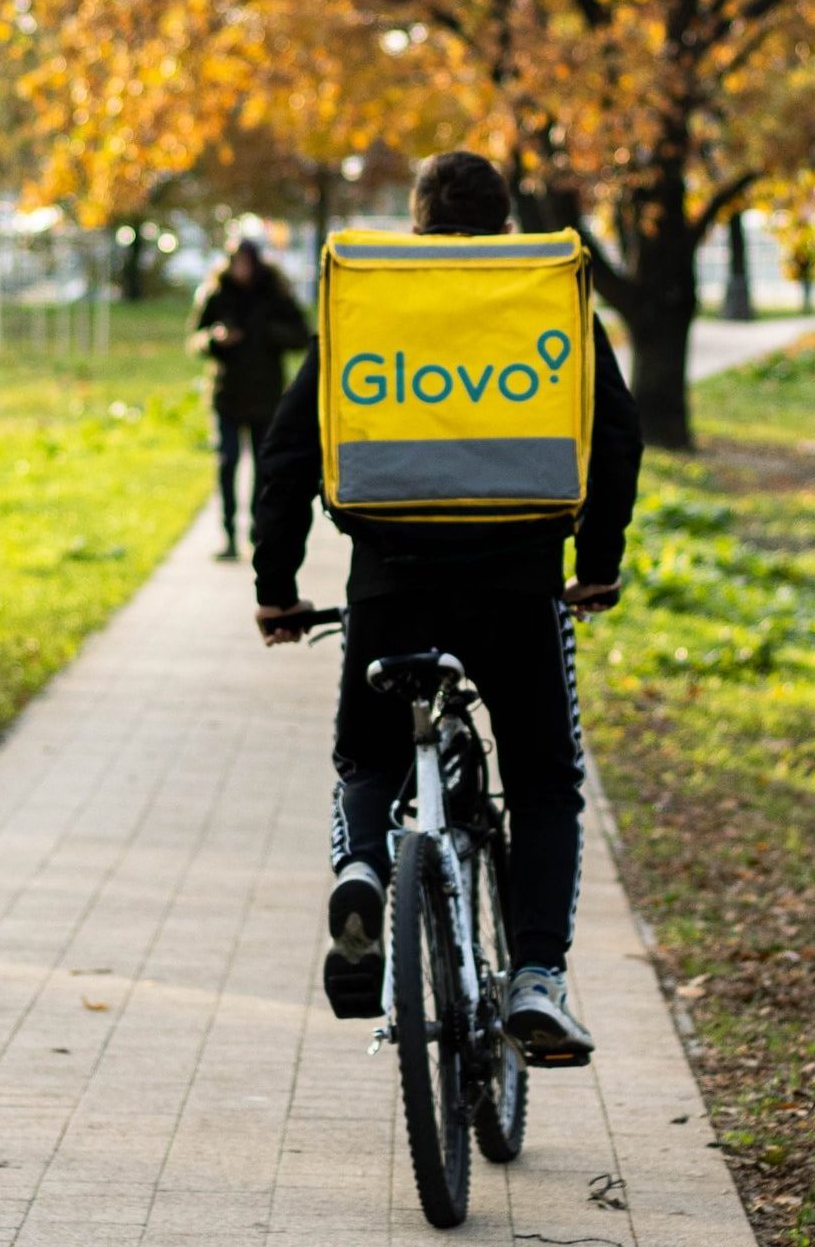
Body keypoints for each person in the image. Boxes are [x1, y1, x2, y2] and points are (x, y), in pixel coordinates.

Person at [251, 152, 643, 1064]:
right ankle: (538, 976)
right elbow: (616, 435)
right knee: (545, 781)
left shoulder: (369, 309)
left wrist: (277, 588)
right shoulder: (549, 302)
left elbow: (285, 455)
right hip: (521, 585)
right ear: (507, 227)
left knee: (368, 757)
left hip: (392, 586)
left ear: (420, 226)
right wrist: (598, 562)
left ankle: (360, 870)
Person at [189, 238, 310, 562]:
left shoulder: (275, 295)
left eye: (247, 263)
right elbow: (196, 339)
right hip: (226, 395)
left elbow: (302, 335)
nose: (241, 270)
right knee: (227, 462)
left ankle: (259, 531)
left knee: (263, 466)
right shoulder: (216, 294)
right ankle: (228, 533)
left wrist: (269, 333)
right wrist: (215, 339)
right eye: (236, 263)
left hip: (266, 398)